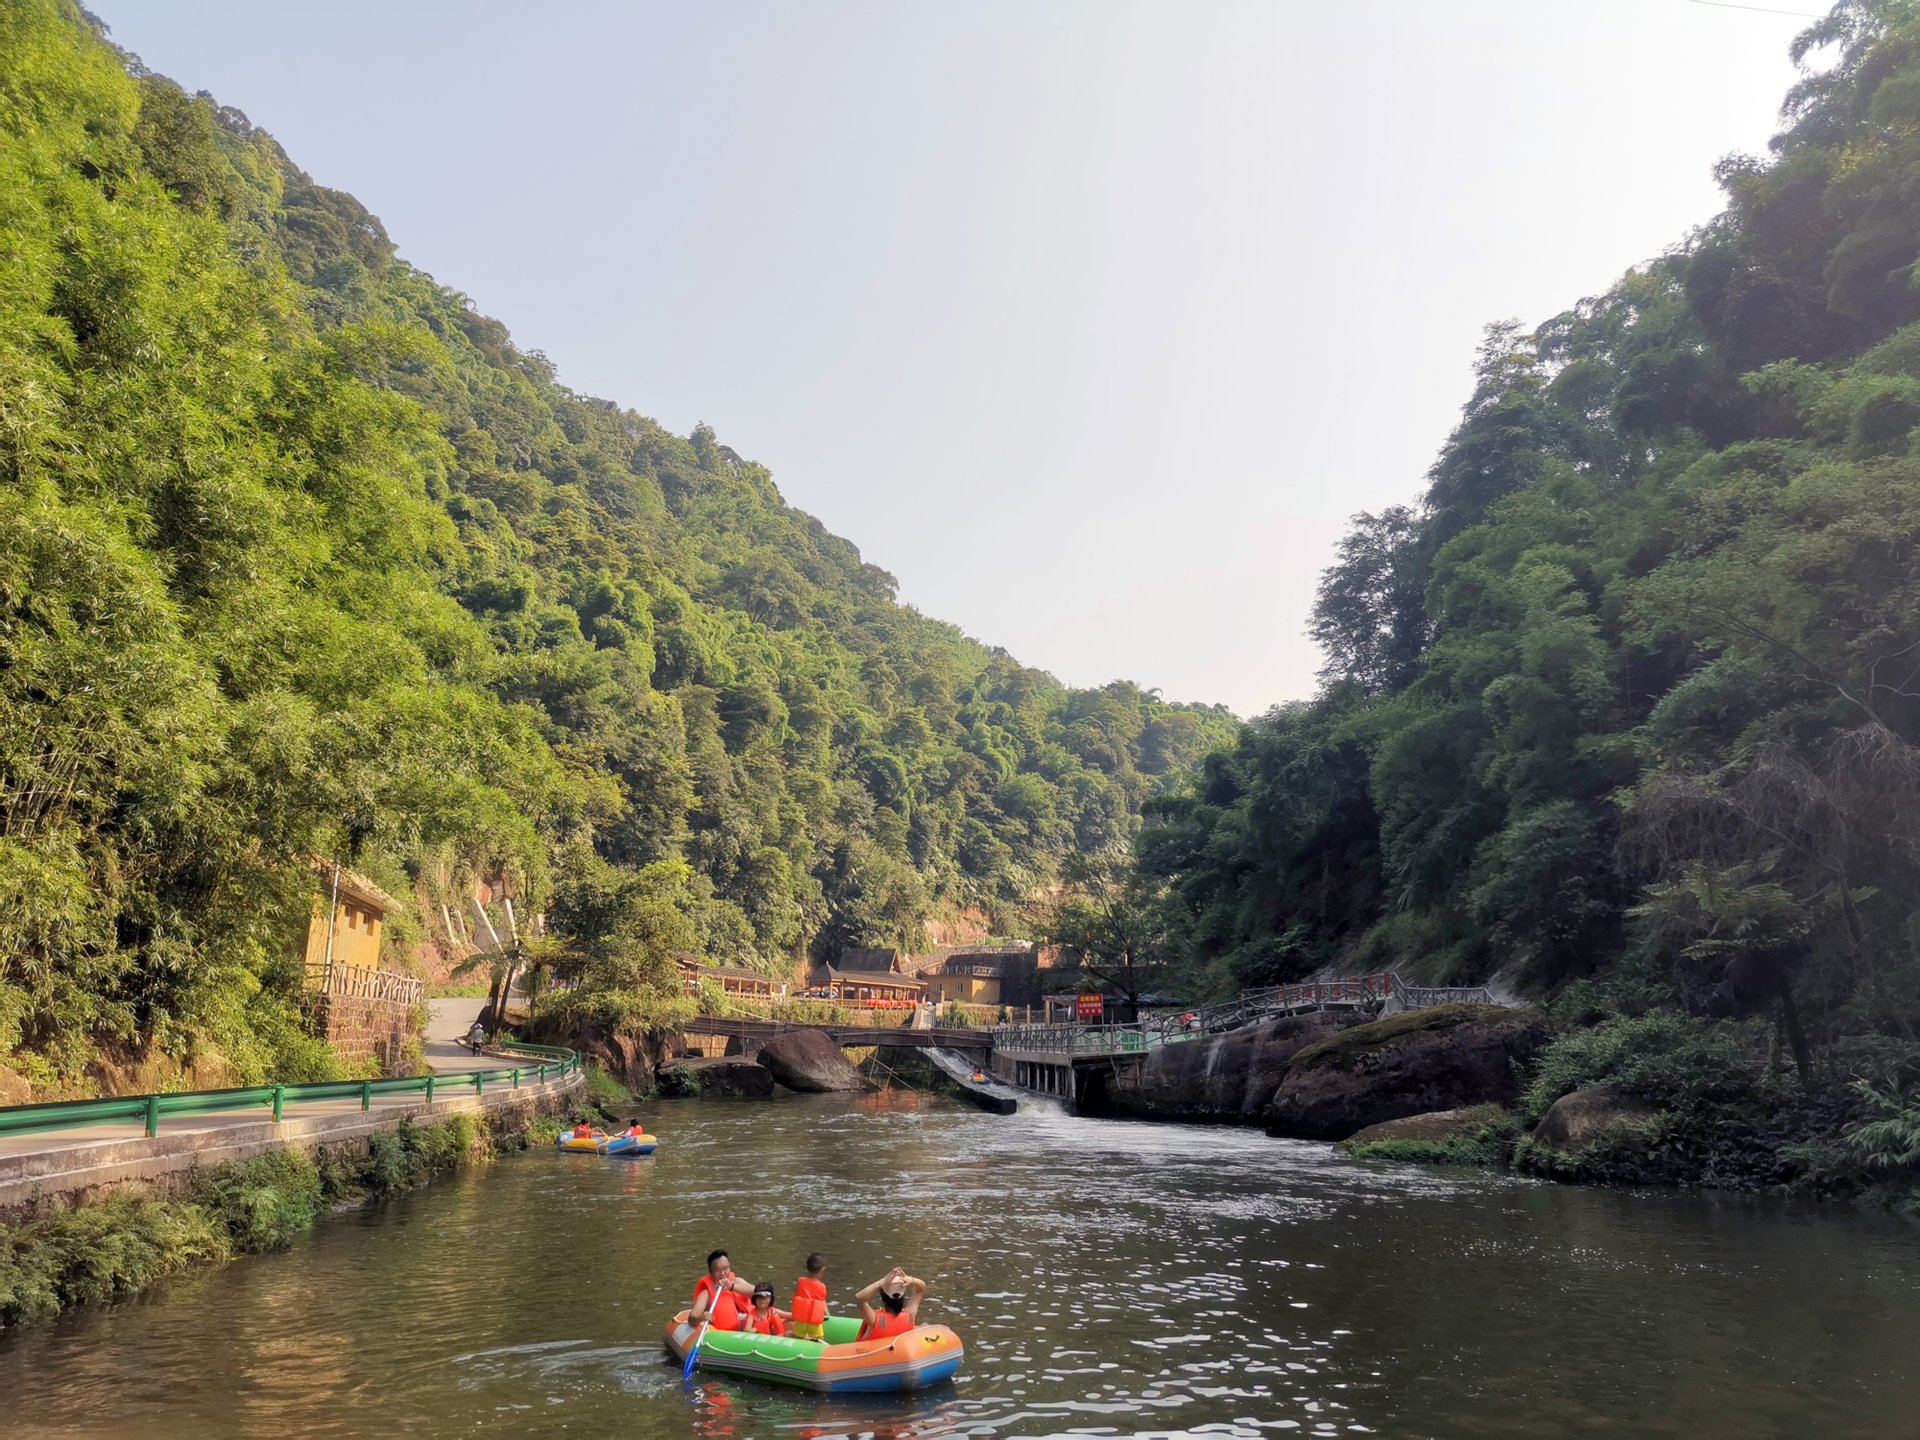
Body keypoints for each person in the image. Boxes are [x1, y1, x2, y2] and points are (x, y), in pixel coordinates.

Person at [855, 1265, 925, 1341]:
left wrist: (881, 1283)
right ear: (902, 1296)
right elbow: (921, 1289)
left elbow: (860, 1298)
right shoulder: (910, 1315)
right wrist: (911, 1280)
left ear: (882, 1295)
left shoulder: (874, 1319)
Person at [691, 1249, 754, 1332]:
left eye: (725, 1268)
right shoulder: (706, 1294)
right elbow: (691, 1319)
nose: (722, 1273)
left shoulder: (737, 1282)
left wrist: (732, 1287)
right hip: (726, 1334)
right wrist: (702, 1318)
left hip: (750, 1328)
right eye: (717, 1270)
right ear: (710, 1271)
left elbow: (758, 1293)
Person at [790, 1252, 829, 1342]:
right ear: (823, 1270)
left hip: (800, 1321)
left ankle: (788, 1335)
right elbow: (821, 1304)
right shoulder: (821, 1287)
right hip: (814, 1323)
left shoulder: (801, 1282)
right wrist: (827, 1315)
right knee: (820, 1340)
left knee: (798, 1337)